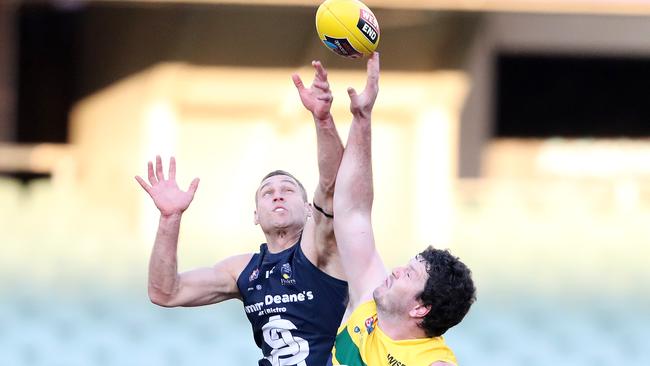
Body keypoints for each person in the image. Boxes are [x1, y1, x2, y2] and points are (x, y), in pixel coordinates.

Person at [135, 60, 349, 366]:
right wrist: (170, 218)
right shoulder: (243, 270)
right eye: (267, 192)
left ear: (307, 209)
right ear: (255, 216)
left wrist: (323, 119)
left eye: (288, 190)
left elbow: (332, 185)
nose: (277, 194)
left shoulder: (321, 249)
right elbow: (164, 292)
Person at [330, 52, 477, 366]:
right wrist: (362, 120)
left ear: (420, 309)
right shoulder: (369, 303)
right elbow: (352, 211)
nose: (396, 270)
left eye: (409, 273)